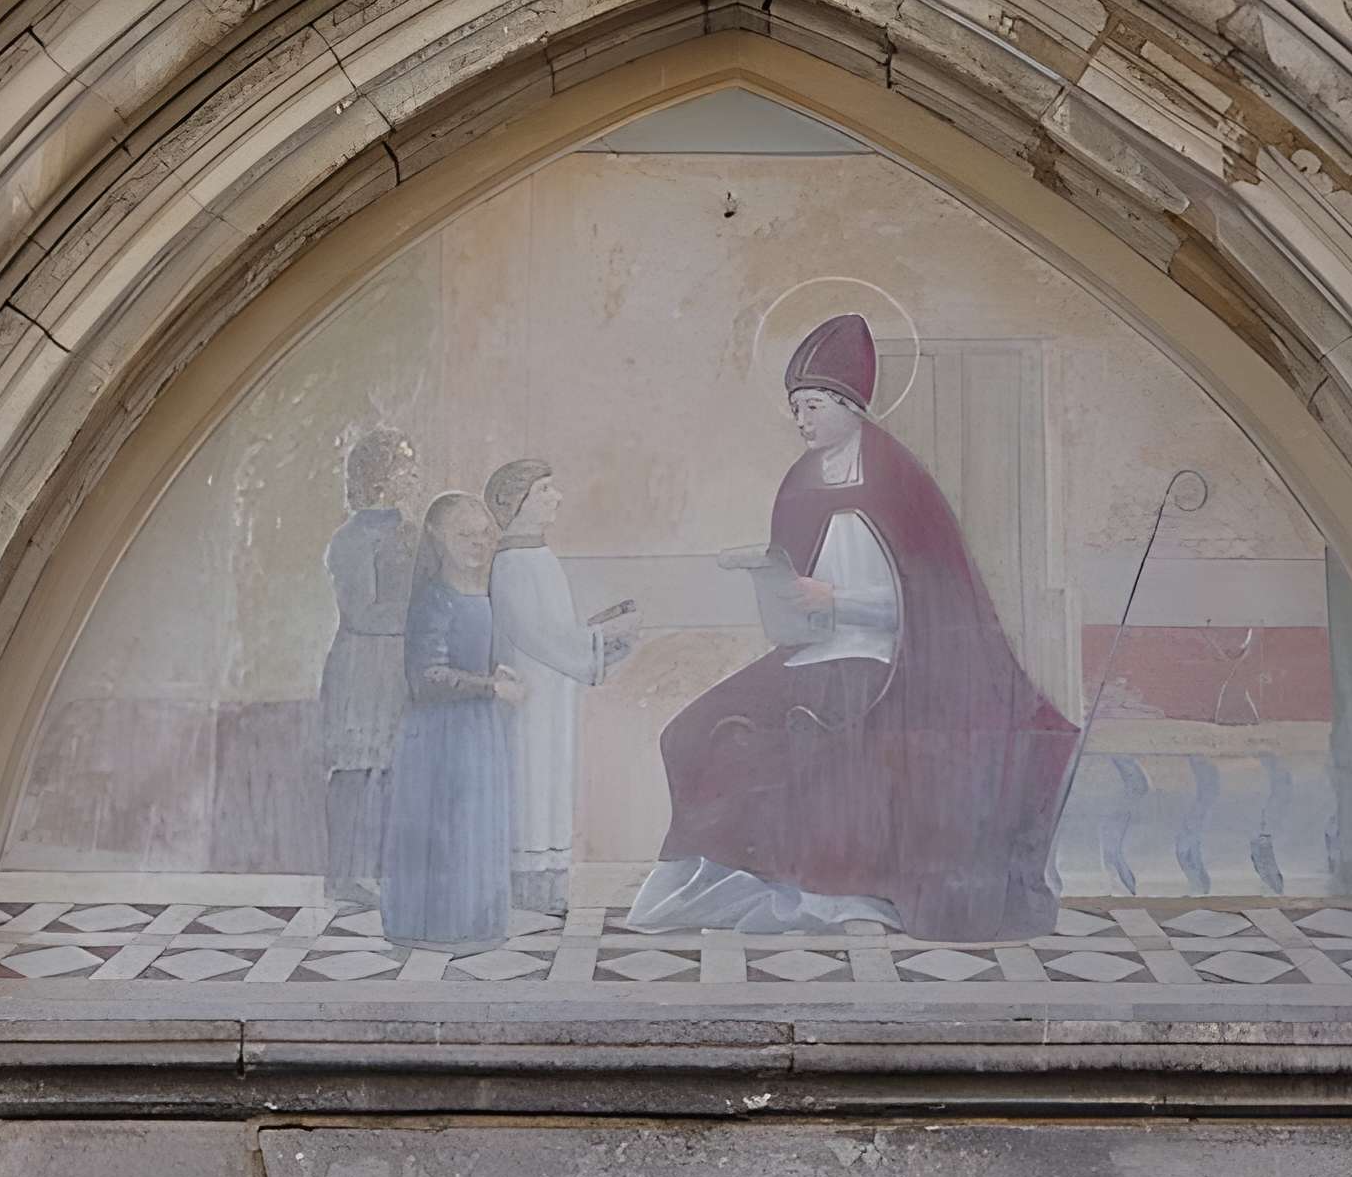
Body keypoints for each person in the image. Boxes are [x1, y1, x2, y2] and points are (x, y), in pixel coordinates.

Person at [628, 313, 1080, 941]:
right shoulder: (801, 481)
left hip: (890, 659)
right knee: (692, 733)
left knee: (826, 746)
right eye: (795, 408)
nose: (801, 421)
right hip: (811, 653)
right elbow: (792, 598)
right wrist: (773, 583)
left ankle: (837, 894)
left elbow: (932, 601)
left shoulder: (899, 479)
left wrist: (837, 602)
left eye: (812, 405)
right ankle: (740, 884)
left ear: (848, 404)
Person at [485, 459, 635, 916]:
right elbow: (535, 635)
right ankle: (529, 893)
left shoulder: (539, 556)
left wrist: (596, 637)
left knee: (552, 782)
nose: (557, 497)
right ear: (518, 503)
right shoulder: (511, 563)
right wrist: (596, 641)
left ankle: (550, 888)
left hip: (553, 693)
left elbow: (554, 630)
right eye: (545, 490)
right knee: (532, 783)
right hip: (529, 697)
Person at [381, 490, 525, 948]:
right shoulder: (434, 600)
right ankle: (434, 929)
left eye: (484, 534)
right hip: (439, 737)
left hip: (477, 733)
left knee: (475, 826)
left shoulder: (480, 594)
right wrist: (491, 687)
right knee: (443, 827)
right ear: (437, 538)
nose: (477, 543)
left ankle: (476, 925)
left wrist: (494, 673)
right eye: (464, 534)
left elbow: (470, 658)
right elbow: (427, 676)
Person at [314, 429, 419, 909]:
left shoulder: (409, 533)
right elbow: (362, 612)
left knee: (397, 772)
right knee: (354, 771)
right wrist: (421, 613)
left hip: (399, 665)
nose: (412, 475)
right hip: (362, 668)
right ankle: (341, 877)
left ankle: (389, 872)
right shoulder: (352, 540)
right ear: (377, 479)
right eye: (403, 467)